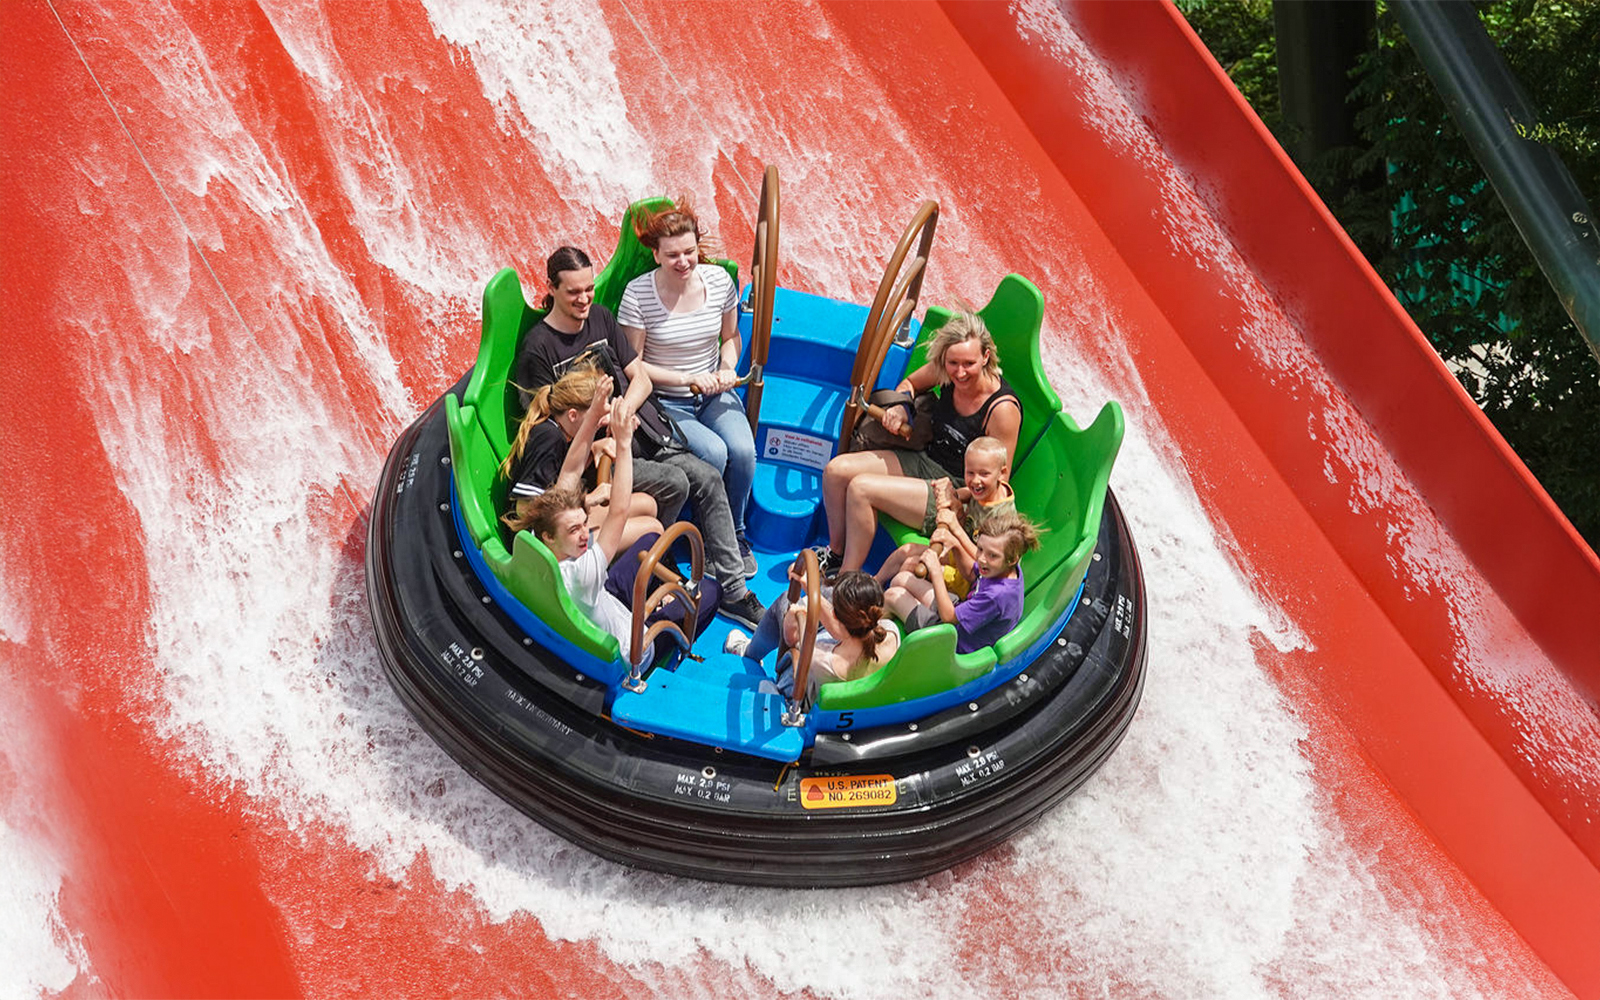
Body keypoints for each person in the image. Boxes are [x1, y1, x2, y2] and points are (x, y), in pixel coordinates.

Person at [511, 246, 766, 630]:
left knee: (707, 476)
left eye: (589, 289)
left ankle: (732, 590)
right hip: (589, 462)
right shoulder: (538, 350)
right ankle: (639, 568)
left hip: (633, 431)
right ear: (551, 288)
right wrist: (600, 437)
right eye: (573, 292)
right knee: (673, 482)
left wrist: (620, 415)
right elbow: (548, 427)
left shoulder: (599, 318)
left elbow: (640, 377)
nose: (584, 300)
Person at [515, 400, 721, 667]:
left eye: (583, 523)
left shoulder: (535, 545)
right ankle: (669, 642)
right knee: (711, 590)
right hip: (632, 648)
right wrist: (623, 443)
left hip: (603, 601)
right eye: (574, 530)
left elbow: (569, 473)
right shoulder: (583, 572)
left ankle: (662, 596)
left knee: (651, 540)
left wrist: (590, 423)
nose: (583, 534)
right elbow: (619, 511)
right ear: (549, 536)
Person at [817, 311, 1022, 576]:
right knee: (835, 471)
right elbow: (911, 383)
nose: (960, 373)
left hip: (957, 490)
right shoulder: (946, 371)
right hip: (924, 460)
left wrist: (955, 500)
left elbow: (999, 481)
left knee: (861, 489)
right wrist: (902, 407)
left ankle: (846, 578)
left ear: (985, 357)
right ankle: (836, 554)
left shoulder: (1002, 410)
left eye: (969, 363)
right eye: (953, 363)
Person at [617, 200, 758, 577]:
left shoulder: (718, 281)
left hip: (713, 390)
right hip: (667, 399)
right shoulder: (638, 295)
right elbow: (634, 364)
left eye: (690, 252)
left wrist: (727, 367)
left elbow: (731, 337)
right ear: (656, 255)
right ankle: (710, 538)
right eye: (673, 255)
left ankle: (736, 531)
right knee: (713, 453)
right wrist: (686, 379)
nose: (684, 261)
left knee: (742, 451)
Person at [501, 364, 661, 553]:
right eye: (596, 412)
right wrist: (588, 500)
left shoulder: (559, 431)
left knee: (647, 504)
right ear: (573, 415)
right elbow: (525, 508)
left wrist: (593, 449)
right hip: (540, 544)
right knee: (652, 528)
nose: (603, 417)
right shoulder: (549, 438)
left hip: (560, 524)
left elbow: (566, 474)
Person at [724, 569, 900, 703]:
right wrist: (813, 592)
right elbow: (845, 633)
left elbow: (791, 639)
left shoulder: (817, 657)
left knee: (785, 602)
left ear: (837, 617)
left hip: (798, 691)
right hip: (848, 693)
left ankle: (748, 652)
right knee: (827, 593)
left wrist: (794, 615)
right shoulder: (892, 634)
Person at [874, 435, 1015, 601]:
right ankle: (872, 585)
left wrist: (954, 526)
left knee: (911, 566)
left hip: (975, 574)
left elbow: (983, 559)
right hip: (961, 552)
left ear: (1002, 473)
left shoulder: (1000, 518)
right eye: (970, 472)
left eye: (984, 474)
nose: (976, 480)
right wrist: (952, 494)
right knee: (905, 552)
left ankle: (890, 609)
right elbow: (970, 493)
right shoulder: (989, 490)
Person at [883, 510, 1038, 655]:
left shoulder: (997, 595)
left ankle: (872, 635)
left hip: (952, 643)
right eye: (980, 549)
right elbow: (972, 574)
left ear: (1012, 559)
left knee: (892, 596)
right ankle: (886, 620)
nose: (982, 558)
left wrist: (936, 571)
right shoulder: (1005, 568)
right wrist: (955, 545)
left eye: (992, 555)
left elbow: (948, 618)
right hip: (960, 612)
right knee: (901, 579)